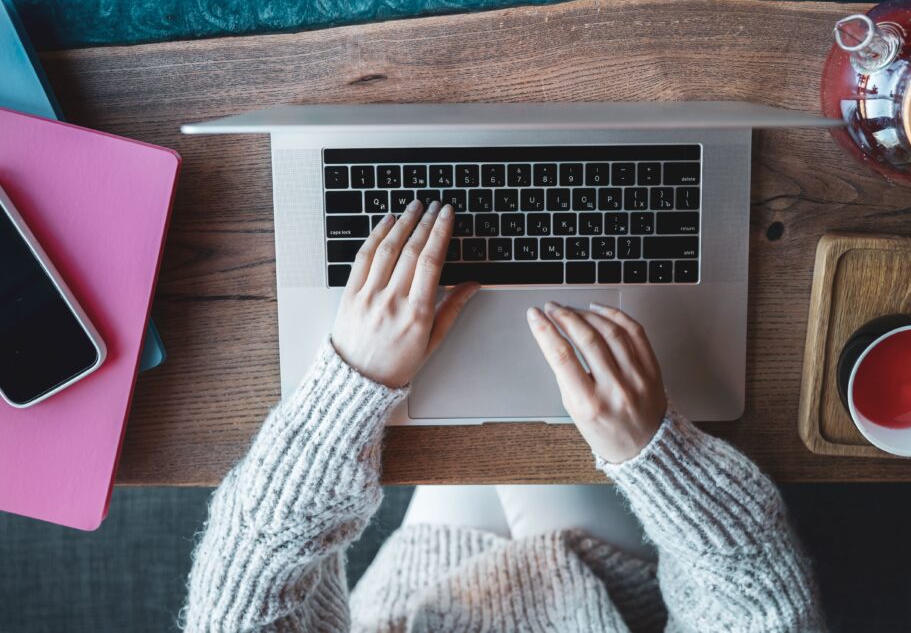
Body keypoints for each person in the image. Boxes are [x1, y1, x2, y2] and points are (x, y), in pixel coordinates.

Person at [181, 200, 824, 632]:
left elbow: (241, 592)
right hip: (595, 581)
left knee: (475, 354)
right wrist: (653, 454)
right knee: (553, 364)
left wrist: (353, 381)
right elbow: (766, 609)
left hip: (419, 590)